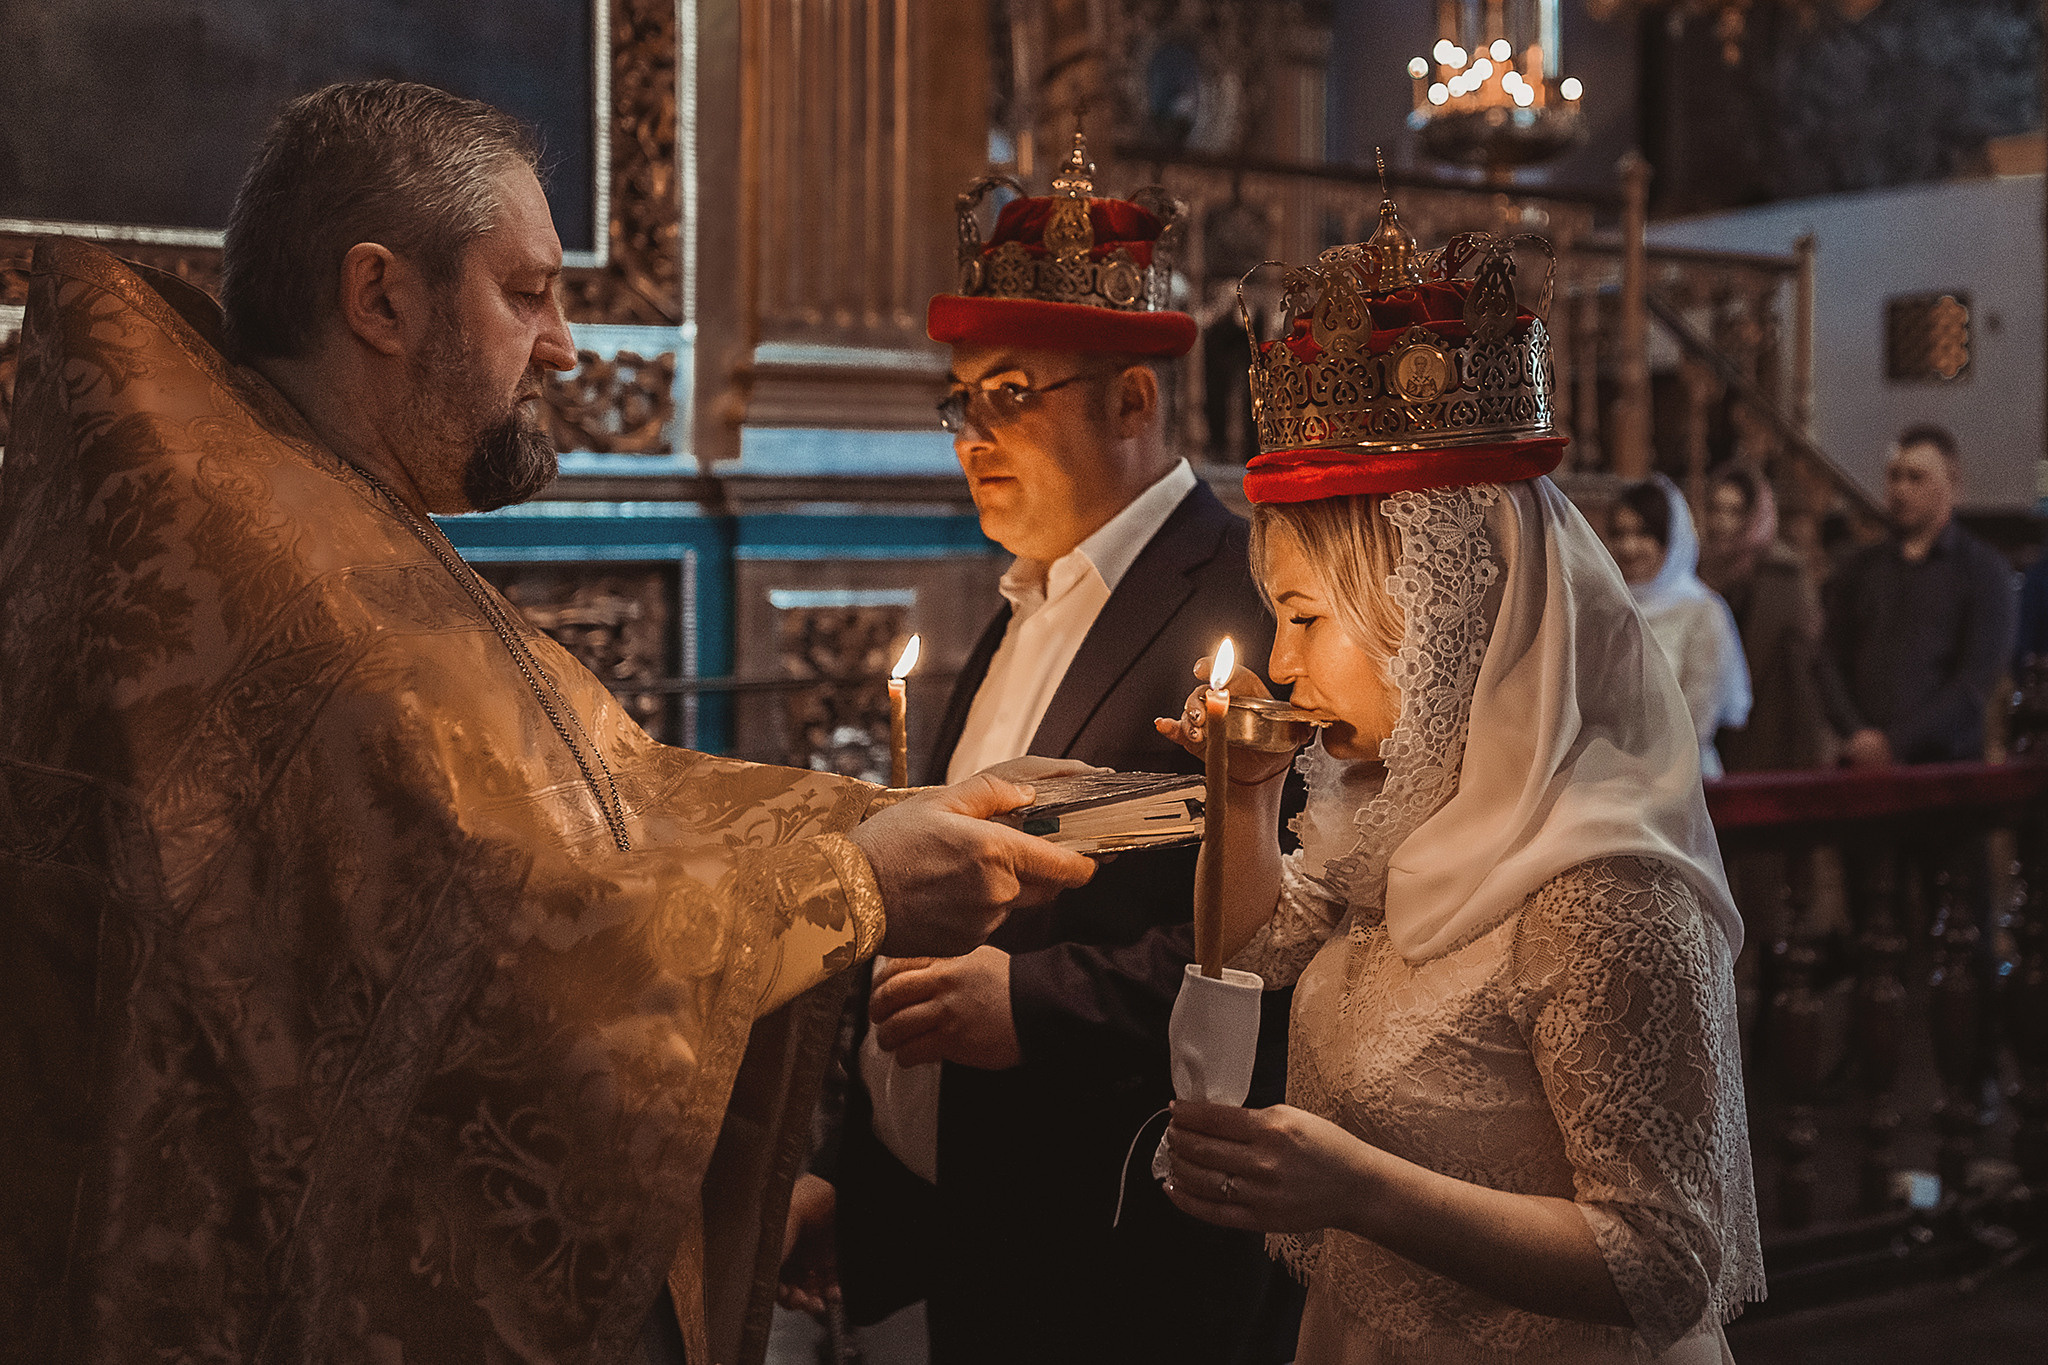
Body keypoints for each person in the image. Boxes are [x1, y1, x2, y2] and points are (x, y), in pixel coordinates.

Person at [0, 81, 1097, 1365]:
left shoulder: (306, 512)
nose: (567, 345)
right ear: (380, 299)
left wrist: (864, 817)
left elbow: (601, 807)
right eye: (527, 292)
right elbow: (512, 947)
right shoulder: (291, 589)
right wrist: (853, 883)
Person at [1154, 200, 1763, 1362]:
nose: (1281, 664)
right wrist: (1238, 798)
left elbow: (1663, 1260)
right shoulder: (1399, 818)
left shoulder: (1605, 891)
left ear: (1437, 615)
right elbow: (1246, 959)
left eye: (1303, 618)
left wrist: (1361, 1191)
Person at [801, 134, 1297, 1365]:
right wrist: (847, 1173)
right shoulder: (1023, 602)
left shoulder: (1245, 596)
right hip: (975, 1230)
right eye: (958, 400)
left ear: (1133, 398)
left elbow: (1295, 927)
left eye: (1008, 395)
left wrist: (1034, 1000)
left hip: (1128, 1250)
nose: (967, 432)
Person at [1820, 425, 2015, 767]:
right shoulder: (1859, 567)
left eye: (1916, 477)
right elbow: (1828, 659)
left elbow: (1974, 682)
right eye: (1894, 476)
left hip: (1945, 772)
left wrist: (1894, 744)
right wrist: (1857, 734)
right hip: (1863, 766)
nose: (1900, 489)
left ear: (1952, 484)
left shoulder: (1984, 571)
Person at [1608, 475, 1752, 778]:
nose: (1628, 547)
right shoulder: (1608, 609)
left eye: (1644, 533)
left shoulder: (1702, 612)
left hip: (1682, 779)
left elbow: (1696, 720)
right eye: (1620, 534)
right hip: (1611, 782)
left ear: (1671, 538)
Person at [1698, 465, 1831, 771]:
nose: (1722, 523)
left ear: (1752, 516)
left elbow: (1804, 671)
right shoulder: (1699, 568)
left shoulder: (1783, 574)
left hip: (1772, 730)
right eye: (1716, 509)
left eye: (1734, 512)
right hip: (1716, 729)